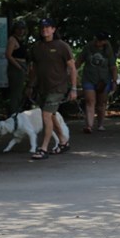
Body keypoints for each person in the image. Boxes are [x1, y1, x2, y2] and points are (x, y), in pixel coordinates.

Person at [26, 18, 77, 160]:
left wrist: (73, 88)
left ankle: (43, 148)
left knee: (46, 116)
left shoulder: (62, 46)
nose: (45, 30)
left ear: (53, 29)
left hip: (58, 87)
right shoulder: (36, 48)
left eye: (48, 27)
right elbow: (34, 69)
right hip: (42, 87)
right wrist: (30, 85)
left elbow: (72, 68)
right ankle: (63, 142)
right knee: (52, 115)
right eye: (42, 27)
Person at [75, 31, 118, 133]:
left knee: (101, 103)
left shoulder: (108, 51)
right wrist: (72, 73)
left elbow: (113, 67)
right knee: (90, 101)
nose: (99, 42)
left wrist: (114, 81)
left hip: (104, 80)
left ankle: (100, 124)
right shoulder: (88, 48)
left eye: (102, 40)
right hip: (89, 78)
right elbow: (79, 61)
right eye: (98, 40)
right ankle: (89, 125)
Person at [5, 19, 28, 115]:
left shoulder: (21, 40)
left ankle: (17, 113)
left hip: (22, 66)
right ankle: (13, 114)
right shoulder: (12, 39)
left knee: (19, 93)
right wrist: (19, 66)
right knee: (15, 93)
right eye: (19, 29)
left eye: (22, 29)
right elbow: (8, 55)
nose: (21, 31)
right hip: (16, 68)